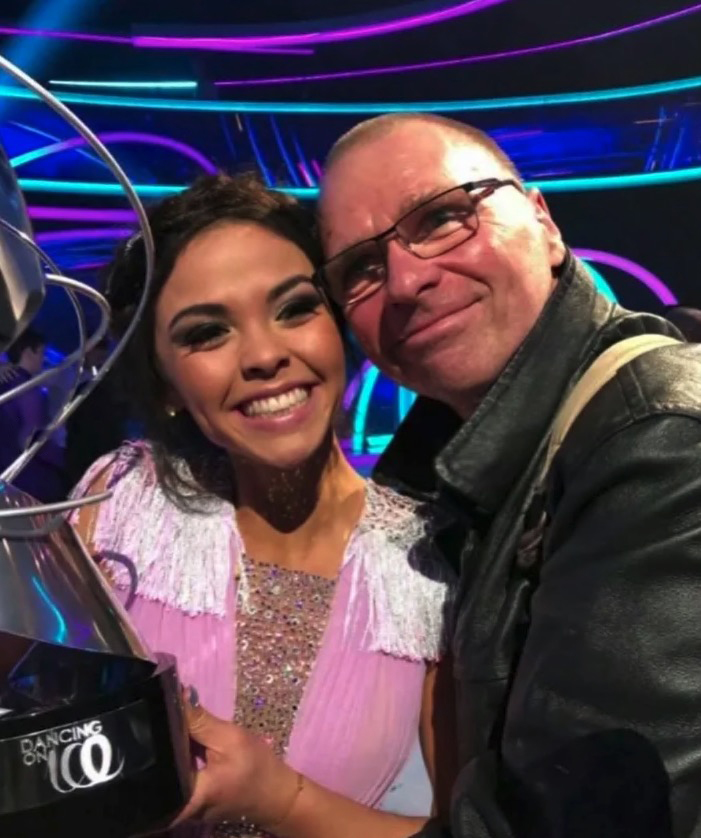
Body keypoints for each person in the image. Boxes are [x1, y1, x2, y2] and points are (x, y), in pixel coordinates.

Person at [310, 113, 701, 836]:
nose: (403, 279)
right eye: (359, 269)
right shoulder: (461, 478)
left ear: (543, 224)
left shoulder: (652, 438)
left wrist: (280, 804)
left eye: (441, 219)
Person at [69, 173, 457, 838]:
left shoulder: (426, 566)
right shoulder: (119, 506)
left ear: (338, 329)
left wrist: (280, 800)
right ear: (164, 381)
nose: (265, 356)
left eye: (294, 309)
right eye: (207, 333)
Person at [0, 326, 66, 501]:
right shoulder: (30, 390)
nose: (42, 360)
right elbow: (29, 438)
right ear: (29, 352)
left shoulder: (5, 383)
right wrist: (60, 457)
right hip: (27, 479)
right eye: (41, 353)